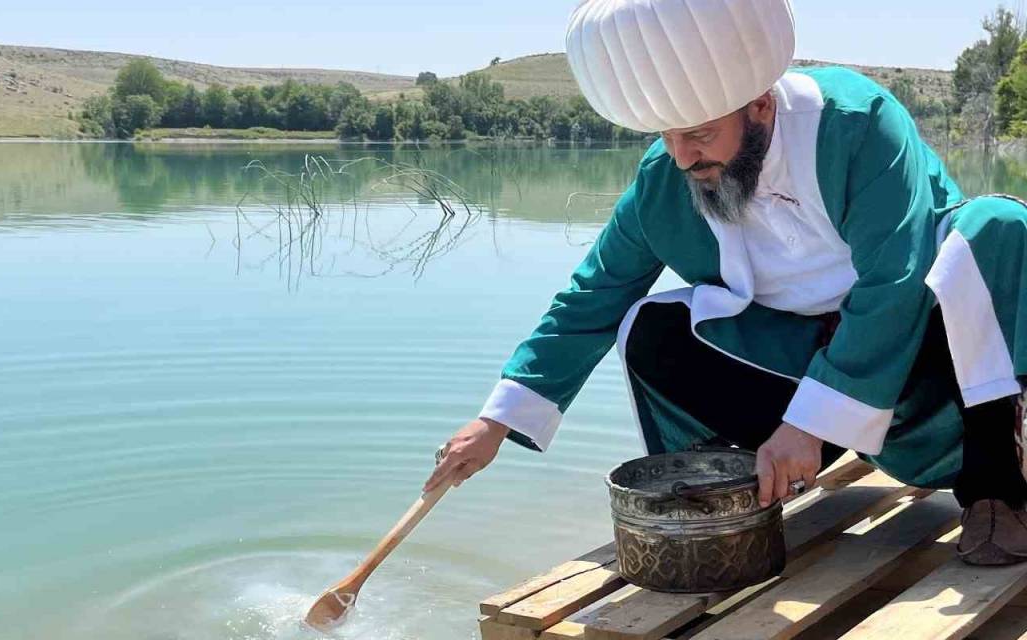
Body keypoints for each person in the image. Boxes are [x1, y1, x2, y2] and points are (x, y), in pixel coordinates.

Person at [425, 0, 1027, 566]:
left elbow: (894, 282)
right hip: (804, 365)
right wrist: (496, 419)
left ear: (760, 105)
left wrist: (808, 425)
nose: (683, 158)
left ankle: (997, 491)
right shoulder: (666, 180)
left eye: (699, 135)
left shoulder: (858, 124)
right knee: (653, 329)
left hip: (933, 356)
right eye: (666, 136)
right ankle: (732, 496)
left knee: (999, 226)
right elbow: (594, 295)